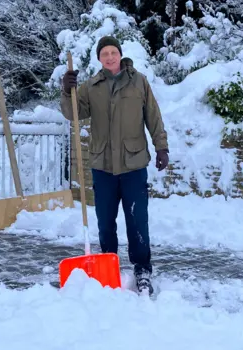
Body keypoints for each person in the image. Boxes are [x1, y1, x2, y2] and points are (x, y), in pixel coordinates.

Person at [60, 35, 169, 295]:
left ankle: (142, 269)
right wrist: (67, 90)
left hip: (133, 164)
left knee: (137, 221)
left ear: (120, 54)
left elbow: (153, 116)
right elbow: (72, 113)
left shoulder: (139, 82)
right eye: (104, 53)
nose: (109, 57)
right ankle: (108, 264)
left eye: (113, 52)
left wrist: (161, 146)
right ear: (99, 58)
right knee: (105, 222)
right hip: (103, 166)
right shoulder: (90, 87)